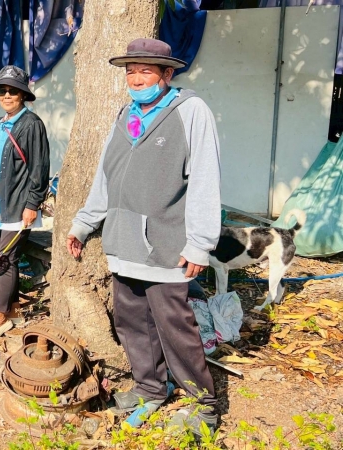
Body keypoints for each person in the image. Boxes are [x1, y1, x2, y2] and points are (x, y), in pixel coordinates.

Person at [65, 38, 221, 434]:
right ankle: (151, 388)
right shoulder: (126, 115)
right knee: (132, 323)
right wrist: (84, 223)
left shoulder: (191, 111)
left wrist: (200, 243)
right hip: (123, 243)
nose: (136, 78)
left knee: (175, 328)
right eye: (130, 71)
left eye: (146, 71)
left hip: (166, 244)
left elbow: (205, 178)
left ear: (167, 74)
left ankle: (203, 405)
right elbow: (106, 177)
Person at [0, 65, 50, 344]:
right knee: (3, 257)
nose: (7, 95)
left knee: (5, 260)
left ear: (23, 95)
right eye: (2, 91)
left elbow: (40, 168)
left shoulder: (32, 124)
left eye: (13, 91)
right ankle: (14, 309)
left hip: (18, 205)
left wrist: (33, 203)